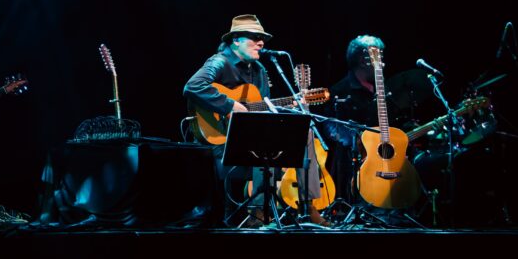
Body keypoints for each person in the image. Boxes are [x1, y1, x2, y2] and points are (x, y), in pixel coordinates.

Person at [183, 14, 323, 226]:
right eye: (254, 37)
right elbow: (193, 86)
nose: (261, 42)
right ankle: (257, 212)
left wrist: (293, 104)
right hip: (221, 144)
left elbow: (263, 111)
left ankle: (307, 206)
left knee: (305, 132)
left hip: (249, 141)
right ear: (235, 40)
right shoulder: (219, 62)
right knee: (263, 139)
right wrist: (230, 105)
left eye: (262, 38)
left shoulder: (259, 70)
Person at [323, 34, 437, 206]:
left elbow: (394, 123)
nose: (382, 62)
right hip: (356, 163)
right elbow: (330, 126)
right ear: (363, 60)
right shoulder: (340, 90)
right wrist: (359, 142)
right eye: (379, 55)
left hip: (389, 159)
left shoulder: (387, 89)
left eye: (382, 55)